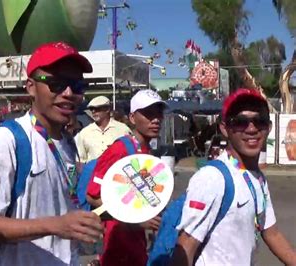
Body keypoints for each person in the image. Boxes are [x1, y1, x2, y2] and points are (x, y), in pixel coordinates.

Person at [0, 41, 103, 265]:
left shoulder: (68, 143)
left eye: (77, 86)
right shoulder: (7, 140)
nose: (68, 93)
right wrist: (55, 226)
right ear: (30, 87)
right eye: (55, 83)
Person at [172, 88, 296, 266]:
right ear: (225, 128)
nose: (251, 129)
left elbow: (271, 232)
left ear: (268, 128)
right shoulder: (212, 178)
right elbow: (185, 247)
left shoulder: (258, 178)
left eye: (258, 121)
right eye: (240, 122)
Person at [86, 89, 166, 266]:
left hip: (138, 247)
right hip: (117, 249)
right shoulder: (119, 149)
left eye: (159, 113)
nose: (156, 119)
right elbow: (92, 196)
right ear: (132, 118)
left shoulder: (147, 153)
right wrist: (136, 220)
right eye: (148, 113)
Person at [76, 96, 131, 163]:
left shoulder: (123, 130)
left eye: (97, 108)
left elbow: (131, 154)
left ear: (107, 109)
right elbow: (80, 160)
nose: (93, 111)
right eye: (91, 109)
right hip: (93, 172)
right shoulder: (84, 133)